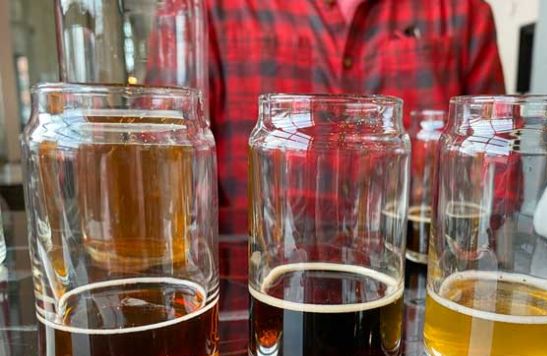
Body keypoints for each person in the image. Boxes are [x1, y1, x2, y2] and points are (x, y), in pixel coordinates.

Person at [202, 0, 506, 236]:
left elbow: (499, 171)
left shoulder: (464, 11)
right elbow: (169, 171)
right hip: (247, 288)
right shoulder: (205, 10)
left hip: (415, 284)